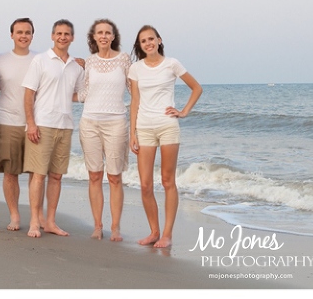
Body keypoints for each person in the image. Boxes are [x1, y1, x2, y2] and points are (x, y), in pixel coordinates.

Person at [129, 25, 202, 248]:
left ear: (159, 40)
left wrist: (184, 111)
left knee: (168, 181)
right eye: (143, 41)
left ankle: (167, 235)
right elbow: (134, 101)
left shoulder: (172, 64)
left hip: (167, 126)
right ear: (140, 46)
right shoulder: (135, 69)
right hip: (144, 128)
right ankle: (154, 232)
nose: (148, 43)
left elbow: (196, 88)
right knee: (144, 184)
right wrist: (132, 132)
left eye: (151, 39)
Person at [22, 19, 85, 238]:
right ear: (52, 36)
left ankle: (50, 222)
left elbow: (79, 95)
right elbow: (29, 93)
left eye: (67, 34)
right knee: (38, 175)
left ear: (72, 37)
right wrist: (30, 123)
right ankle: (33, 222)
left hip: (65, 125)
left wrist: (90, 70)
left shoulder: (77, 67)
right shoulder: (41, 60)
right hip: (42, 124)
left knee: (56, 177)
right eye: (59, 33)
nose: (62, 37)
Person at [78, 19, 131, 241]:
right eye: (99, 32)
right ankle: (98, 226)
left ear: (113, 36)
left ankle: (116, 227)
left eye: (107, 33)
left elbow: (135, 90)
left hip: (117, 122)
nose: (103, 36)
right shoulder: (88, 62)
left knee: (115, 176)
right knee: (94, 175)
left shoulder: (124, 59)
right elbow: (82, 95)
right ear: (93, 37)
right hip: (89, 122)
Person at [0, 18, 36, 231]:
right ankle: (15, 216)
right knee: (10, 172)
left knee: (36, 173)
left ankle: (37, 216)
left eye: (27, 32)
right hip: (7, 121)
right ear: (11, 35)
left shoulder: (40, 60)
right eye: (19, 32)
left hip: (35, 124)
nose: (23, 35)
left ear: (32, 35)